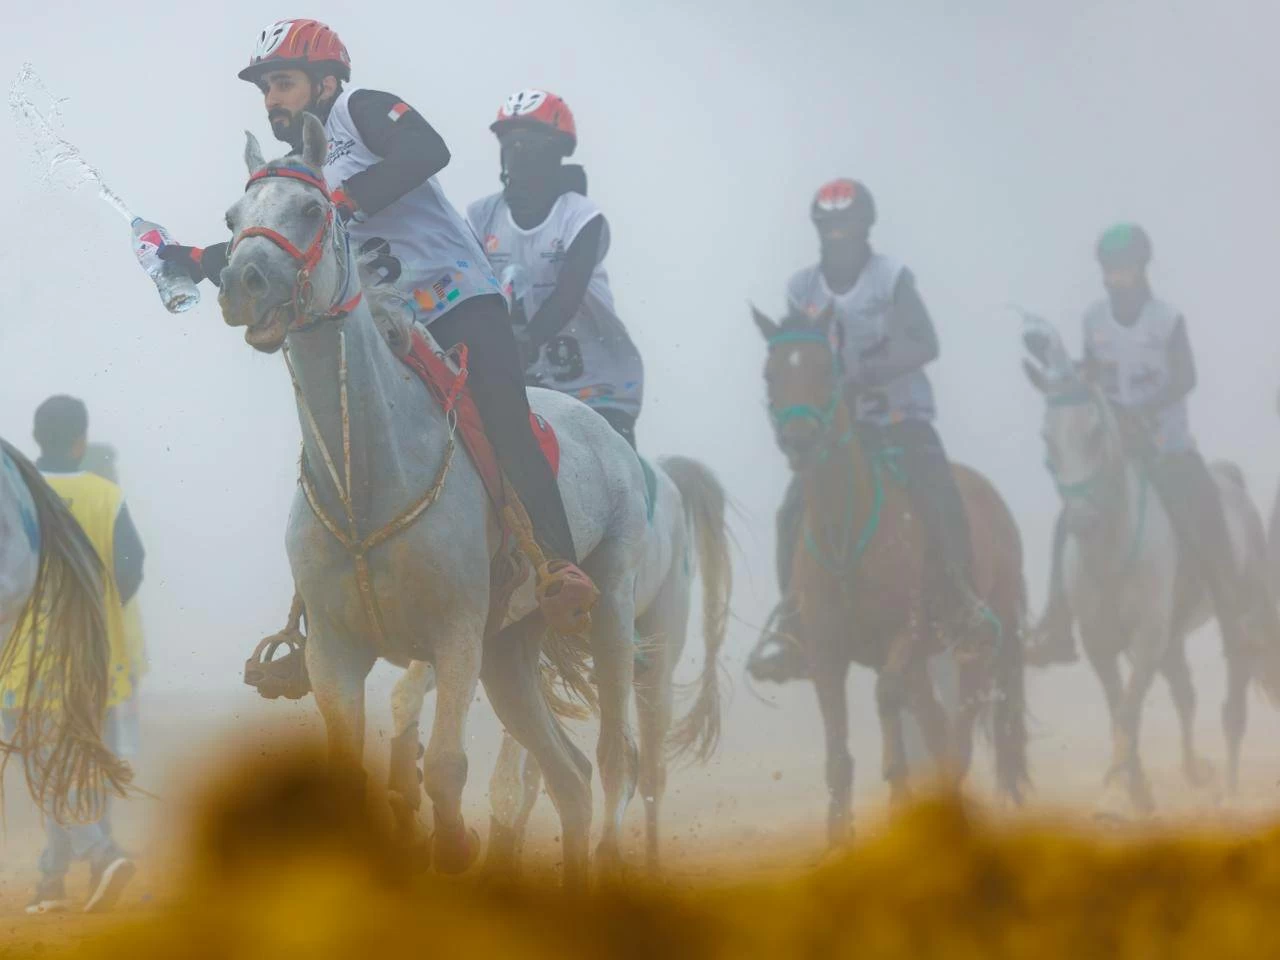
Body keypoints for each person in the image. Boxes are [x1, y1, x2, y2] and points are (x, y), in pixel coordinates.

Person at [158, 19, 595, 618]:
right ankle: (311, 615)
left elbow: (428, 150)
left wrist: (342, 199)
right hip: (391, 323)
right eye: (264, 90)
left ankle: (556, 562)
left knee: (504, 419)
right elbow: (274, 249)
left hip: (458, 298)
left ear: (326, 80)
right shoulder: (295, 167)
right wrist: (192, 257)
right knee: (343, 441)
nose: (271, 101)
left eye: (282, 84)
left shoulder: (361, 109)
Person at [1028, 224, 1280, 665]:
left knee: (1204, 507)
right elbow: (1089, 374)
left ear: (1142, 269)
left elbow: (1186, 376)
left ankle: (1235, 615)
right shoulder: (1094, 319)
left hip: (1167, 445)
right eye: (1108, 271)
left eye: (1123, 270)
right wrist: (1054, 357)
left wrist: (1143, 408)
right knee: (1067, 519)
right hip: (1118, 449)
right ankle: (1057, 624)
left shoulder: (1166, 320)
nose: (1115, 278)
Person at [757, 178, 978, 668]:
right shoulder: (802, 287)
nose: (838, 235)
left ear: (864, 227)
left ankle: (963, 604)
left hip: (900, 419)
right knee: (792, 512)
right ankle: (794, 626)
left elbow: (925, 342)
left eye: (846, 225)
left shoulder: (890, 278)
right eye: (829, 225)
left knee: (939, 495)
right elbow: (795, 348)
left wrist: (862, 373)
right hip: (837, 432)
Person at [0, 397, 143, 914]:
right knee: (80, 760)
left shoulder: (16, 493)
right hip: (93, 657)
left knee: (46, 765)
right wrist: (98, 612)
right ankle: (54, 876)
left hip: (25, 660)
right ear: (80, 440)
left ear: (37, 438)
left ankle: (93, 859)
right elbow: (131, 568)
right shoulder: (105, 495)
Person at [466, 89, 643, 448]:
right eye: (509, 144)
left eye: (527, 144)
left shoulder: (580, 217)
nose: (516, 155)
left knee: (617, 489)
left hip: (597, 389)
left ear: (555, 153)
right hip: (526, 387)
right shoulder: (482, 216)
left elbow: (568, 296)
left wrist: (526, 340)